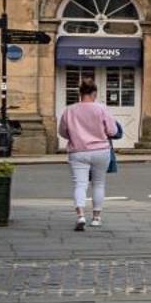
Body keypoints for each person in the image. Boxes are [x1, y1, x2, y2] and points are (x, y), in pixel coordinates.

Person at [57, 82, 122, 232]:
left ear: (80, 93)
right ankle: (96, 218)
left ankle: (80, 216)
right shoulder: (101, 109)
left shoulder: (69, 110)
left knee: (80, 184)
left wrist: (75, 135)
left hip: (78, 151)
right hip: (101, 150)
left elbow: (62, 132)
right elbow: (112, 131)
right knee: (99, 183)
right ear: (94, 93)